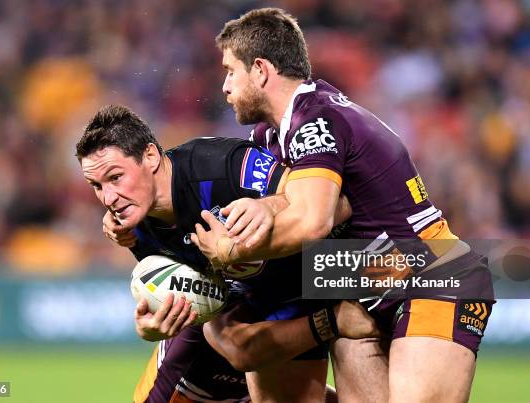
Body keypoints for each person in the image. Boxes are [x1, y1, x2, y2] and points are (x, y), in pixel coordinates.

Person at [191, 7, 495, 403]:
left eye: (231, 71)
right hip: (362, 282)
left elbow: (313, 221)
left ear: (261, 70)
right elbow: (321, 208)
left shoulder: (315, 120)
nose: (225, 86)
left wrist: (232, 250)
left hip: (430, 273)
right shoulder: (272, 134)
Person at [77, 104, 378, 402]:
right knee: (236, 349)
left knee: (417, 277)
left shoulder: (221, 166)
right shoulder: (138, 229)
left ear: (152, 156)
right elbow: (203, 292)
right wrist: (157, 316)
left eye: (116, 177)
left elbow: (337, 203)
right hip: (273, 295)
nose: (108, 198)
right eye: (96, 186)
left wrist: (267, 209)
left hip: (329, 263)